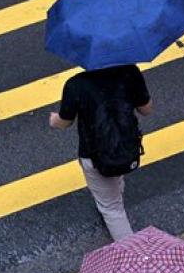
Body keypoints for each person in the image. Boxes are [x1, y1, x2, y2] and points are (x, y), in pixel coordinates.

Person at [49, 65, 153, 242]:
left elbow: (64, 122)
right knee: (114, 180)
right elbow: (146, 110)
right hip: (127, 147)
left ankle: (132, 254)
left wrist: (53, 119)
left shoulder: (76, 84)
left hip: (95, 155)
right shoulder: (130, 72)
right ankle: (114, 190)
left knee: (112, 209)